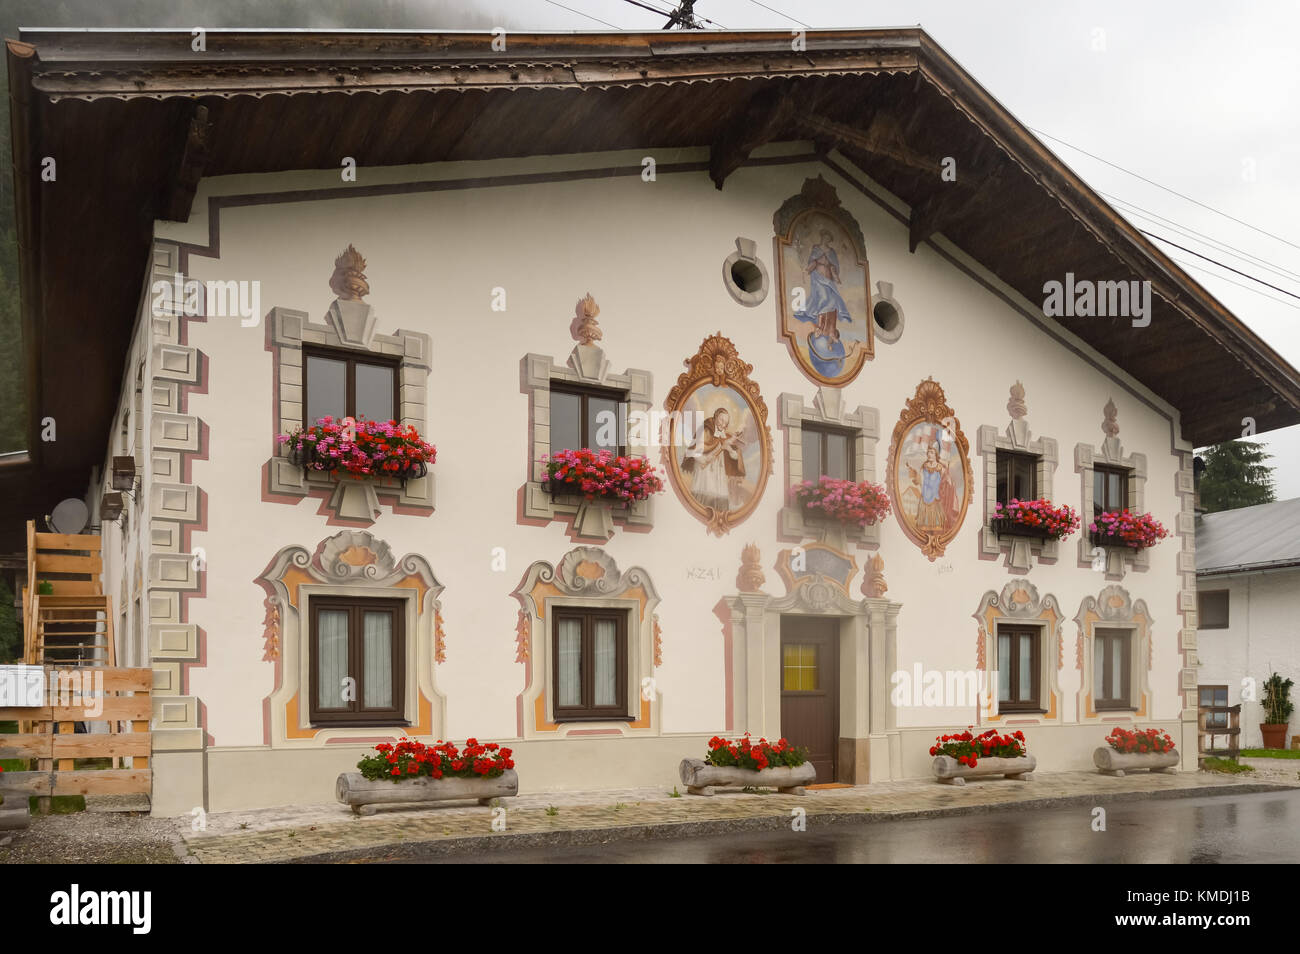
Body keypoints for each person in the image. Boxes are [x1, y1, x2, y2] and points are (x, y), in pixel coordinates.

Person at [682, 408, 746, 512]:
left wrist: (731, 451)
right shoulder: (705, 431)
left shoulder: (723, 435)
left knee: (720, 494)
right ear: (715, 417)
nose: (723, 424)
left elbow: (733, 455)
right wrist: (704, 459)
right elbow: (694, 451)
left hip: (718, 472)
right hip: (704, 472)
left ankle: (723, 511)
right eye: (721, 420)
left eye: (725, 422)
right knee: (706, 495)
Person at [915, 442, 958, 531]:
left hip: (936, 499)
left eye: (931, 452)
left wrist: (949, 482)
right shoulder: (924, 467)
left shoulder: (940, 468)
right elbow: (921, 481)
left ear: (936, 455)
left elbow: (947, 480)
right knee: (923, 527)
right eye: (928, 452)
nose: (929, 455)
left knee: (937, 527)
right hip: (925, 499)